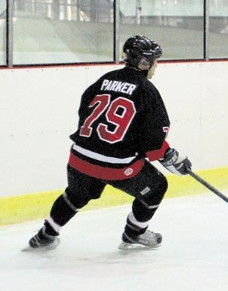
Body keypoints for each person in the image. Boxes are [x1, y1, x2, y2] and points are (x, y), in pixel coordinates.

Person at [25, 36, 192, 251]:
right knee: (157, 186)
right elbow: (152, 142)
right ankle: (134, 233)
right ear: (143, 63)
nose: (156, 67)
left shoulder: (105, 79)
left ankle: (45, 235)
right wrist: (169, 155)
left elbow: (84, 112)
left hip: (79, 158)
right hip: (116, 166)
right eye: (154, 62)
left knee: (75, 195)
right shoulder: (146, 90)